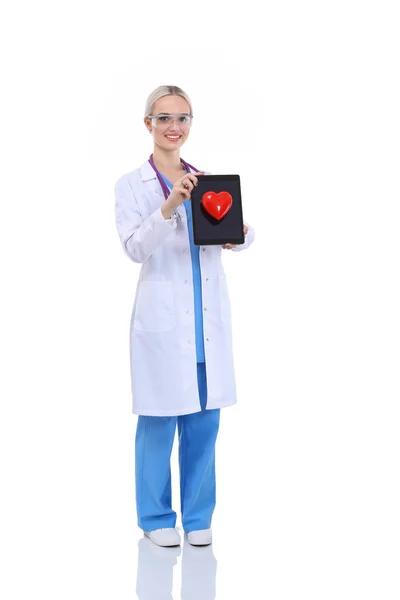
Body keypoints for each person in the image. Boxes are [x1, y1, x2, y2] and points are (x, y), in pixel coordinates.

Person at [114, 85, 255, 547]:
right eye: (164, 118)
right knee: (158, 424)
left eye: (183, 118)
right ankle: (155, 517)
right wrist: (170, 205)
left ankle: (198, 519)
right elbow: (135, 247)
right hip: (162, 325)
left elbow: (238, 232)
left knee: (203, 425)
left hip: (204, 325)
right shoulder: (131, 185)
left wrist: (239, 235)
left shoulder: (208, 179)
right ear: (148, 124)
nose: (174, 127)